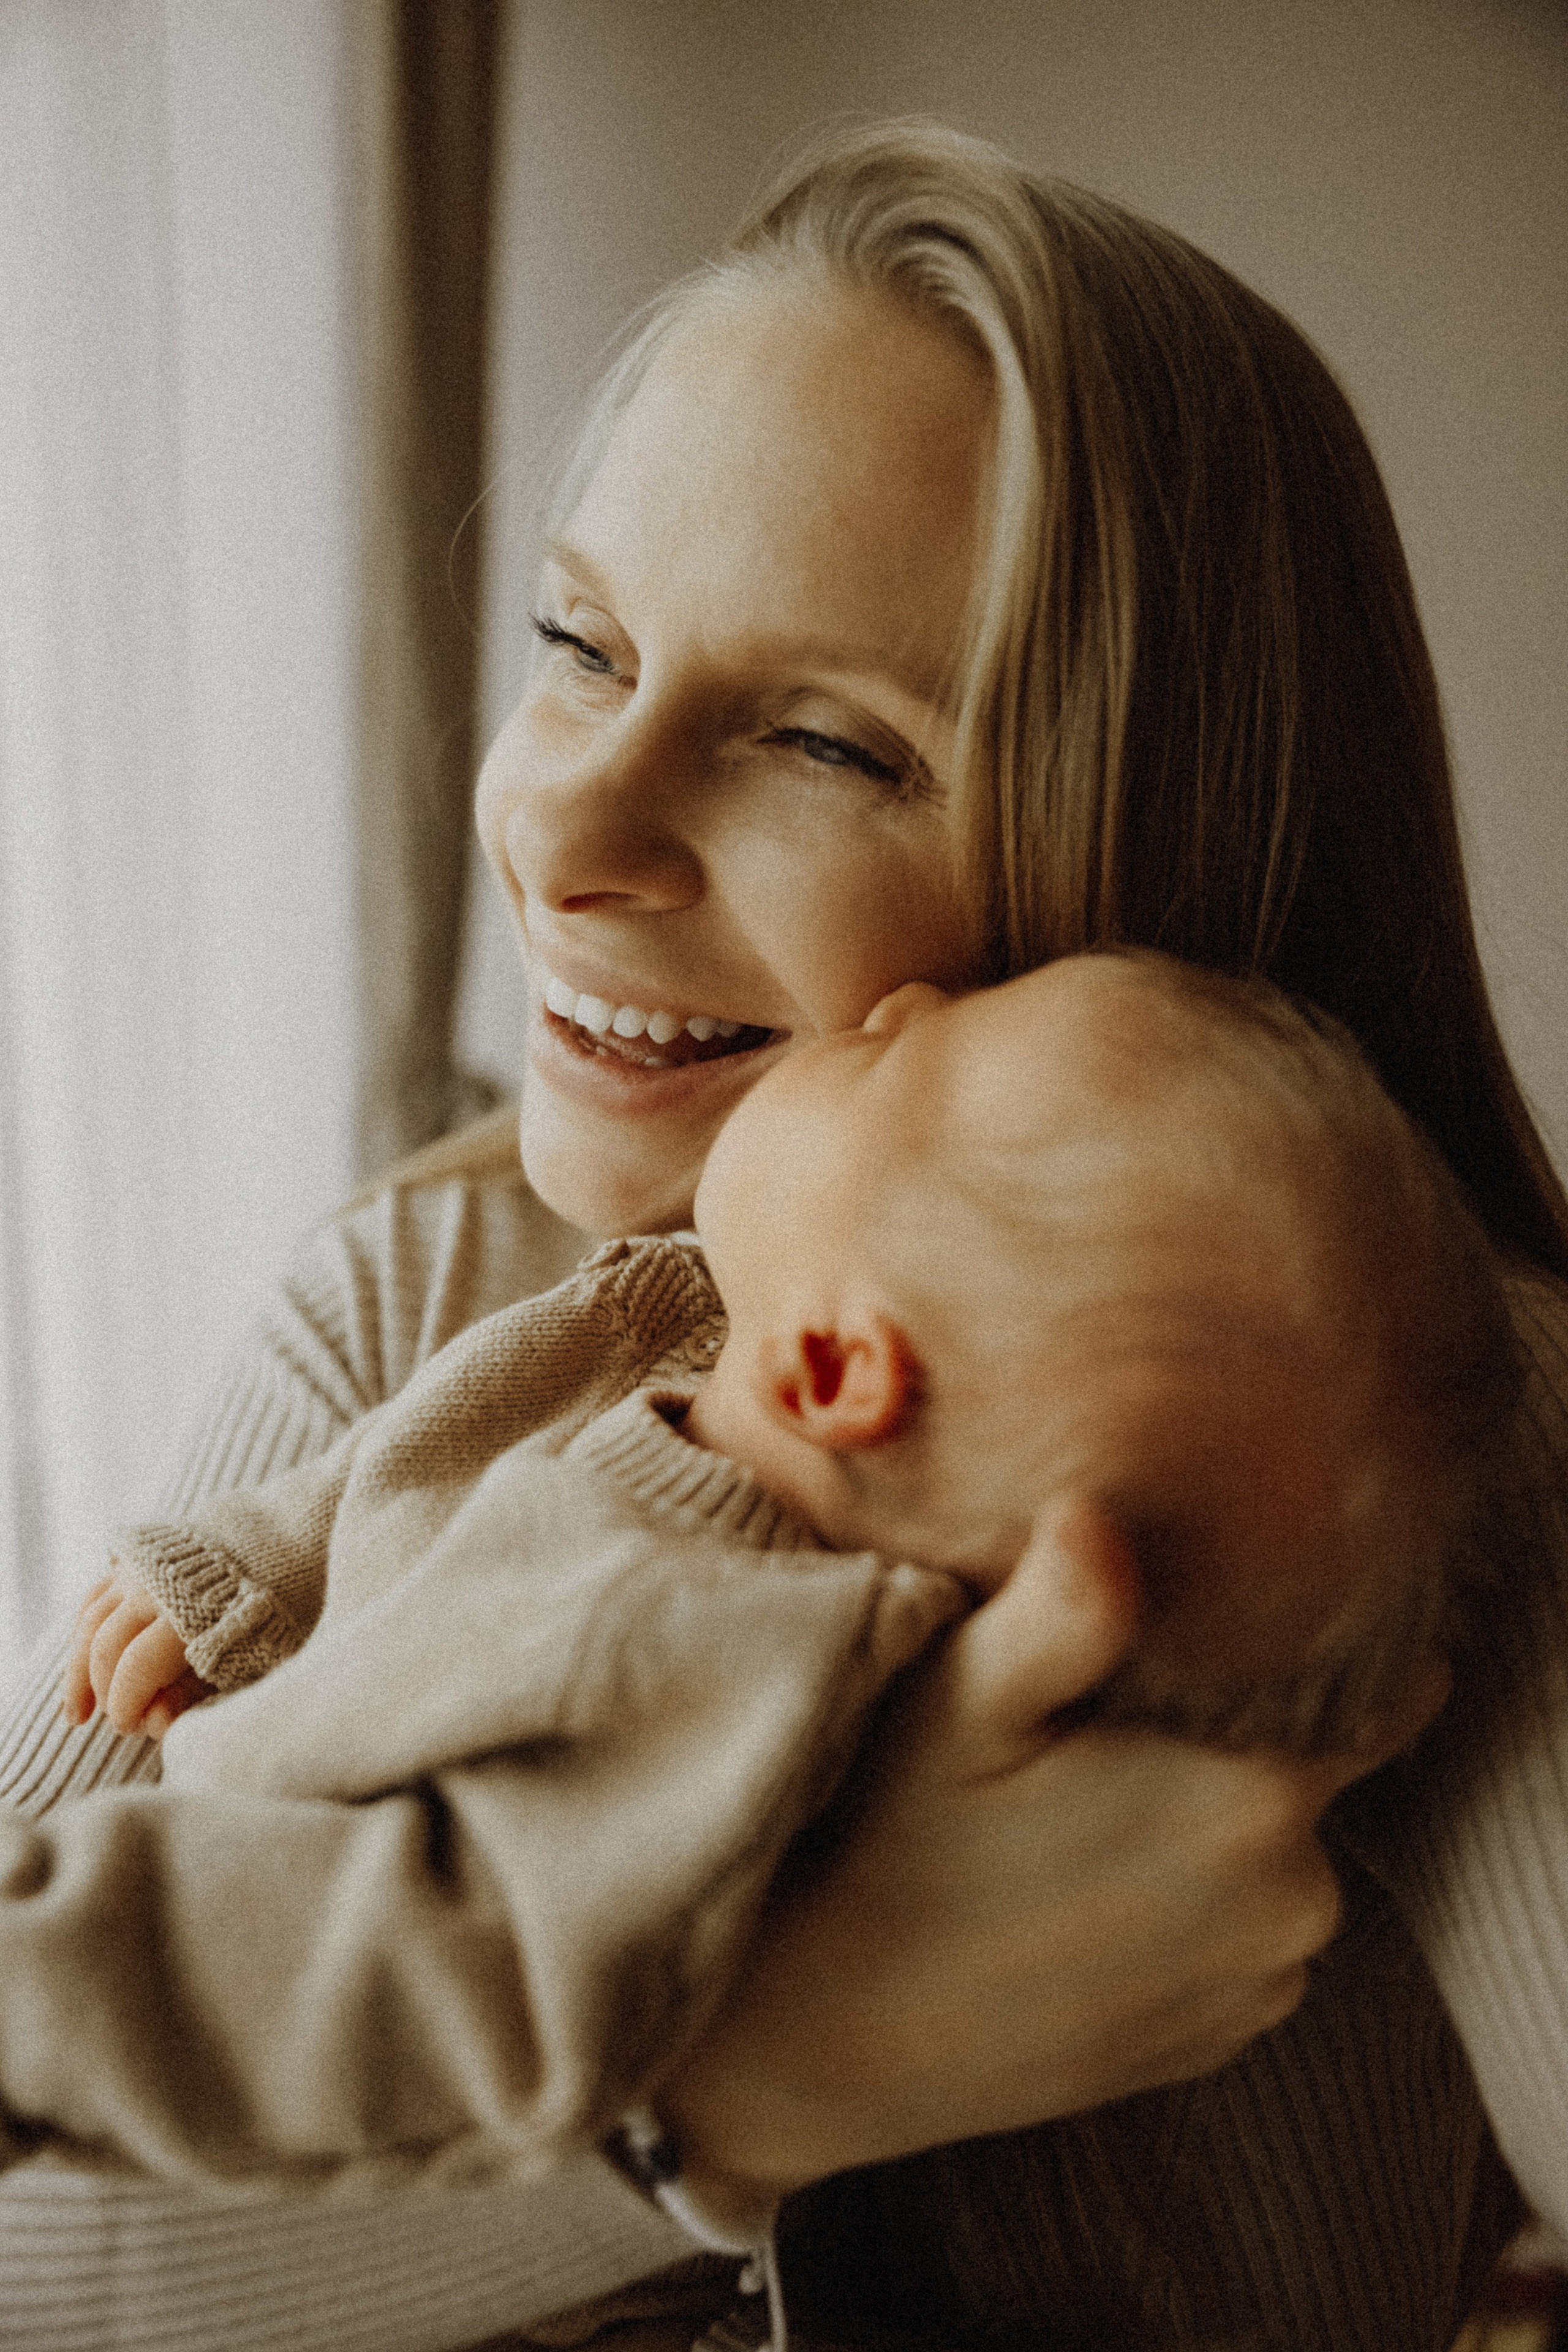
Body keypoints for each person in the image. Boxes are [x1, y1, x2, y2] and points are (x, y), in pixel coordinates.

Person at [1, 115, 1564, 2352]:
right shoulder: (407, 1323)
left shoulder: (1409, 1445)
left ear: (1161, 866)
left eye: (823, 745)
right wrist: (772, 2073)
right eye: (576, 642)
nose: (559, 818)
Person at [21, 949, 1525, 2347]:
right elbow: (431, 1461)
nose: (909, 1004)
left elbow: (410, 1952)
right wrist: (253, 1565)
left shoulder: (694, 1654)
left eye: (826, 747)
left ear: (834, 1366)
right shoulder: (692, 1352)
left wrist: (41, 1973)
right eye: (581, 650)